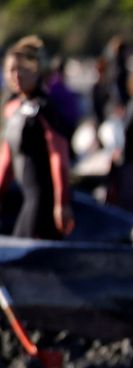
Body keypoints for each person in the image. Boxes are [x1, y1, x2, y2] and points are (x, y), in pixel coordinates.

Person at [0, 35, 75, 240]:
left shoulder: (45, 108)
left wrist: (63, 203)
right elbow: (7, 159)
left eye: (21, 69)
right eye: (10, 70)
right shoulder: (13, 108)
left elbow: (58, 158)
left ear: (35, 70)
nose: (16, 75)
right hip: (28, 200)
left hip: (45, 202)